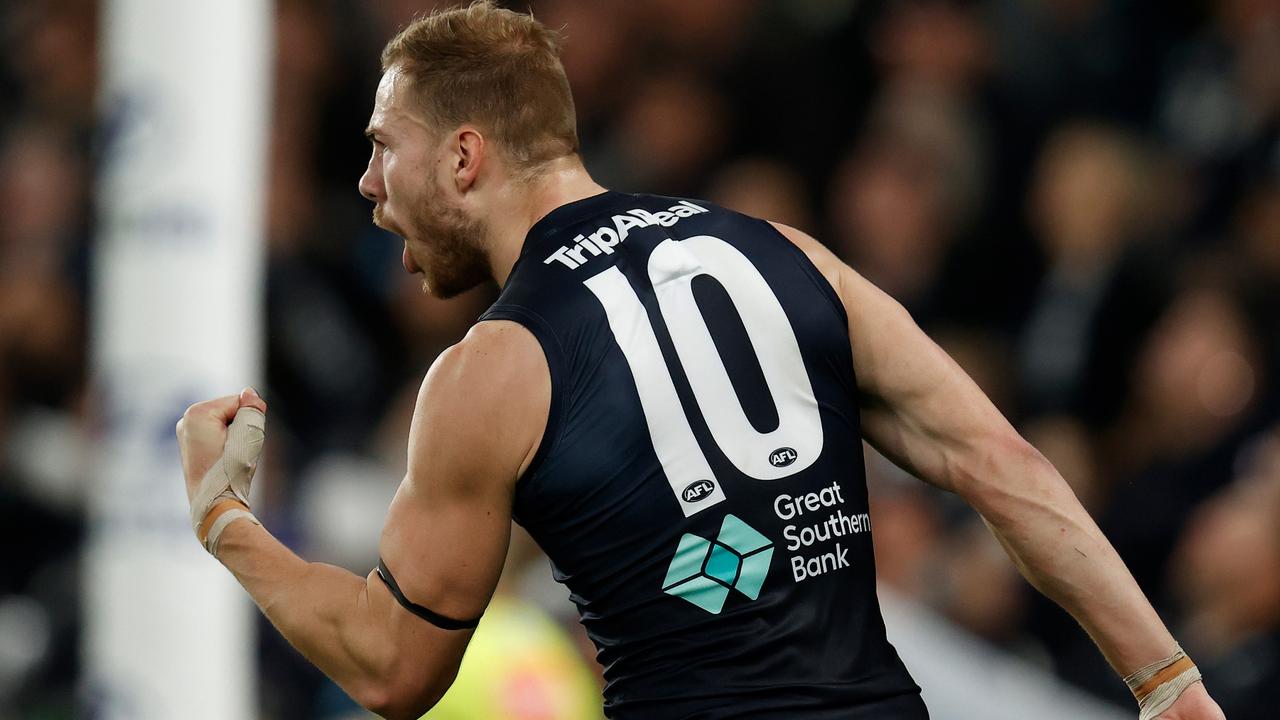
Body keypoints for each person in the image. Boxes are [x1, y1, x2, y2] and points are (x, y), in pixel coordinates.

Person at [175, 3, 1226, 719]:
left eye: (381, 146)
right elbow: (1005, 468)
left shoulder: (488, 372)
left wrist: (229, 527)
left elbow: (392, 666)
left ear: (461, 155)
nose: (365, 183)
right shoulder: (785, 255)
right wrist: (1167, 681)